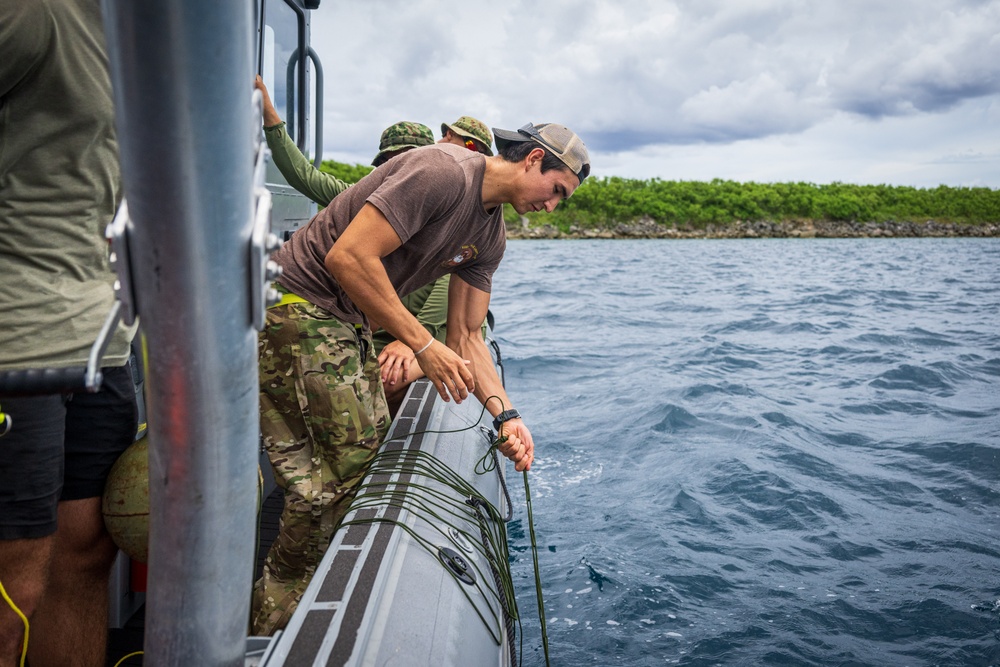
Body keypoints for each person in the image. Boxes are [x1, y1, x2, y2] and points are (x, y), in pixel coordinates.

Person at [251, 121, 590, 634]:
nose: (553, 205)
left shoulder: (491, 237)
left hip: (345, 323)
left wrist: (508, 415)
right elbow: (347, 255)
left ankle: (298, 599)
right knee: (339, 477)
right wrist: (422, 344)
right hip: (299, 305)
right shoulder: (441, 171)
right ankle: (277, 617)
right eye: (557, 189)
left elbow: (468, 336)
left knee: (343, 470)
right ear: (532, 160)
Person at [0, 1, 138, 666]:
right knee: (14, 582)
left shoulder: (136, 36)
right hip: (19, 337)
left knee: (85, 551)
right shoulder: (32, 14)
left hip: (102, 335)